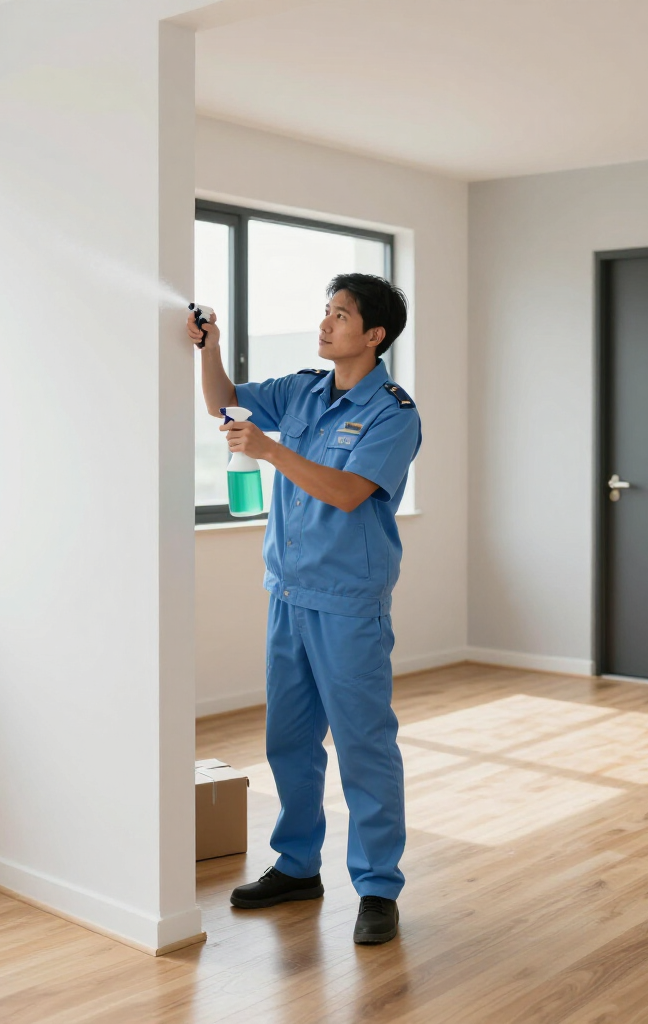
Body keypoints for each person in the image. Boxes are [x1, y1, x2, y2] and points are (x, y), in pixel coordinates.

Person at [188, 273, 420, 945]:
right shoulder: (303, 390)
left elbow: (347, 492)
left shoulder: (393, 412)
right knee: (288, 741)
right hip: (287, 593)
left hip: (348, 601)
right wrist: (211, 346)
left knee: (363, 745)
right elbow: (222, 401)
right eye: (325, 313)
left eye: (340, 316)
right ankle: (296, 866)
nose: (325, 325)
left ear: (373, 335)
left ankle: (377, 887)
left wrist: (268, 449)